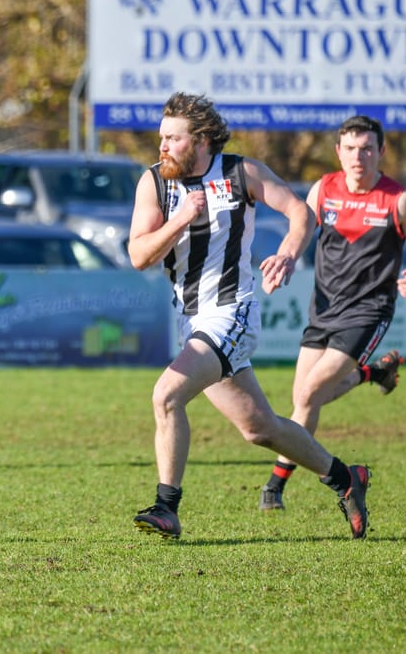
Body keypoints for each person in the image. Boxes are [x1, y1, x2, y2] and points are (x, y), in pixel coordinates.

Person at [128, 92, 371, 540]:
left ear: (200, 140)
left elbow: (301, 213)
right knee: (259, 428)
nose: (161, 146)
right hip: (193, 319)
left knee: (166, 395)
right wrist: (180, 220)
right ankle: (344, 477)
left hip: (231, 311)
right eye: (161, 137)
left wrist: (288, 252)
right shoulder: (155, 183)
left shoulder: (242, 172)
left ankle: (167, 508)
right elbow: (139, 255)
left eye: (172, 138)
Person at [258, 115, 406, 511]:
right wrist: (287, 258)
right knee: (304, 398)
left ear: (381, 151)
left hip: (368, 312)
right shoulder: (323, 189)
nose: (359, 157)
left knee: (307, 396)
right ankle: (372, 374)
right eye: (351, 149)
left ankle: (274, 487)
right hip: (323, 308)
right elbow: (301, 230)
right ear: (338, 152)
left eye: (368, 149)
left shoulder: (400, 200)